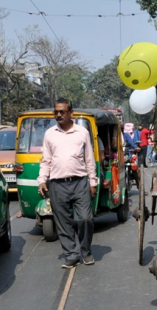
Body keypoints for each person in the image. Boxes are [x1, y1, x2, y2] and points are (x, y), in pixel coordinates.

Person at [37, 98, 98, 268]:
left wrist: (93, 182)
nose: (58, 115)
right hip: (57, 184)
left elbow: (89, 159)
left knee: (85, 219)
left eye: (62, 112)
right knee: (63, 222)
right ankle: (71, 254)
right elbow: (46, 160)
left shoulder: (82, 132)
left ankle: (86, 251)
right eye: (56, 112)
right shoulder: (49, 134)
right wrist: (42, 180)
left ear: (71, 113)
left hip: (80, 183)